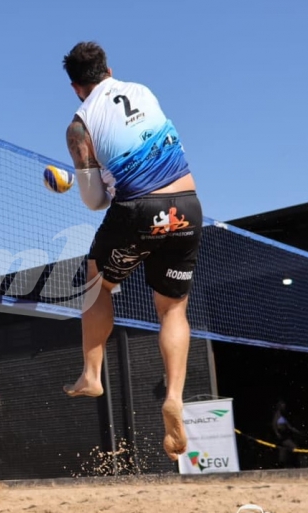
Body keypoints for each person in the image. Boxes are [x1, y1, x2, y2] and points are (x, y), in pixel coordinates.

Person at [61, 41, 203, 461]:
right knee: (173, 309)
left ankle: (91, 374)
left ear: (75, 87)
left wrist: (88, 175)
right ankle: (174, 395)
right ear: (108, 69)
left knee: (95, 279)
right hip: (189, 205)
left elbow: (95, 202)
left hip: (139, 209)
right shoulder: (142, 90)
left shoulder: (78, 126)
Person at [272, 400, 302, 468]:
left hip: (285, 436)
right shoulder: (277, 416)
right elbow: (274, 425)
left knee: (283, 455)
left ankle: (288, 465)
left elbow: (289, 427)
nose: (284, 408)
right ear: (279, 407)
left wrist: (298, 432)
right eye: (283, 406)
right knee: (294, 448)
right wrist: (277, 434)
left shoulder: (283, 417)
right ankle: (295, 464)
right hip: (282, 438)